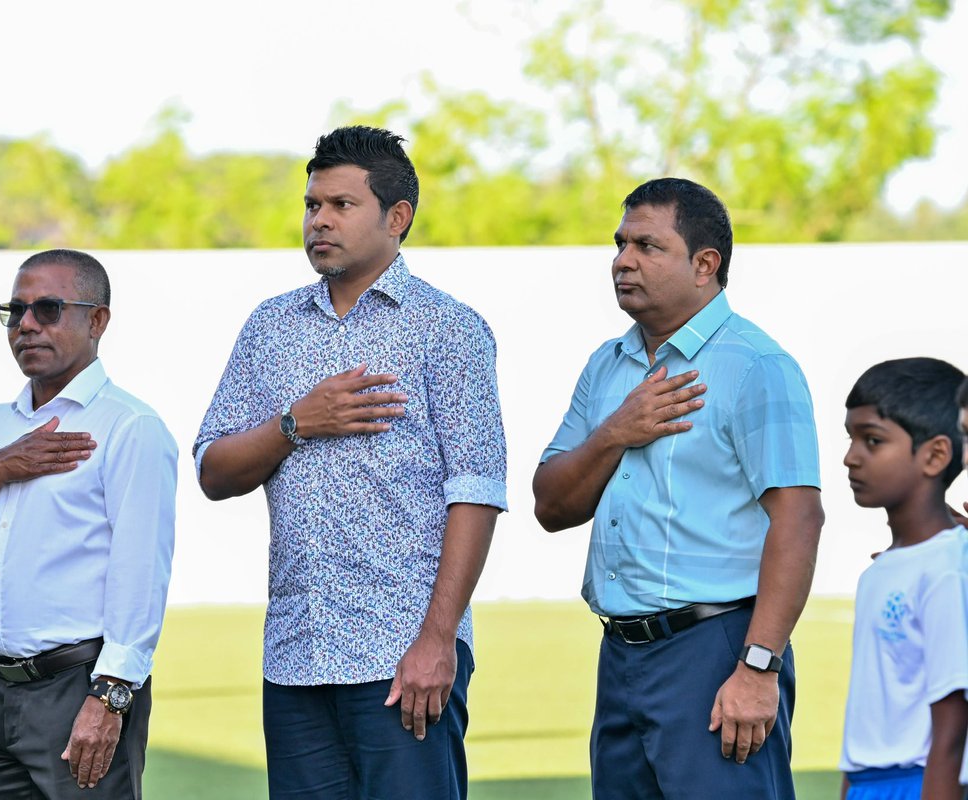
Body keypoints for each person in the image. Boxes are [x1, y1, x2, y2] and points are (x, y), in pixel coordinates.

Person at [193, 125, 507, 800]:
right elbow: (214, 471)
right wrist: (295, 425)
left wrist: (438, 640)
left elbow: (477, 492)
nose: (319, 221)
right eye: (312, 206)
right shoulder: (269, 327)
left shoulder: (448, 329)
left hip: (401, 656)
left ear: (398, 218)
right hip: (295, 657)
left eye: (341, 205)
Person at [532, 177, 825, 799]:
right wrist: (616, 432)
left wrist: (757, 666)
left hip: (717, 651)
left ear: (704, 264)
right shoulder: (606, 366)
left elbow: (798, 520)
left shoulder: (755, 365)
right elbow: (551, 505)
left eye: (647, 246)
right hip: (621, 656)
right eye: (619, 244)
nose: (622, 261)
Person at [0, 249, 177, 798]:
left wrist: (110, 696)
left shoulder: (130, 427)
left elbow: (140, 573)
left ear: (97, 320)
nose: (26, 325)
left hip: (78, 691)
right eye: (16, 310)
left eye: (48, 309)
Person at [838, 358, 968, 800]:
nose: (850, 457)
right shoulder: (877, 573)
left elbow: (952, 725)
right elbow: (864, 722)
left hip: (920, 784)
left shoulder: (949, 567)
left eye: (872, 441)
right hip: (867, 786)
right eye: (851, 438)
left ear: (934, 455)